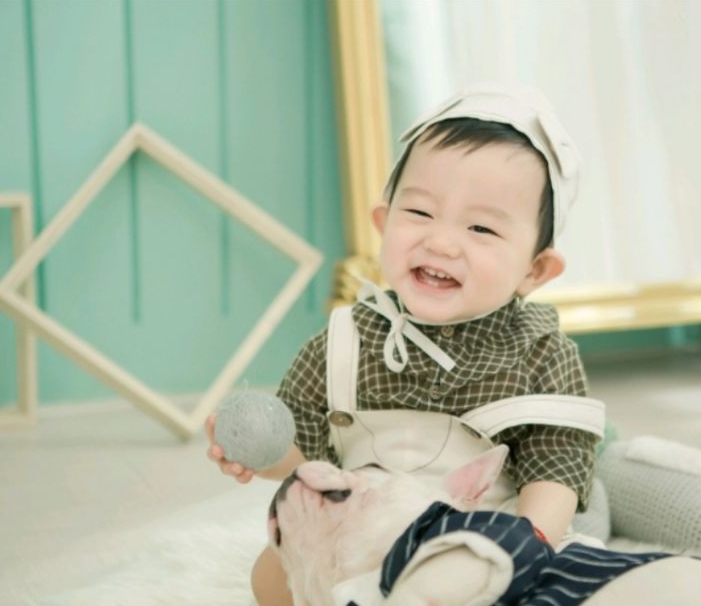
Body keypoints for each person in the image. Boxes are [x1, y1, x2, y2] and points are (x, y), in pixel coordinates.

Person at [206, 81, 605, 606]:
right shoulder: (345, 342)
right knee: (271, 577)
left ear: (535, 269)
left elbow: (557, 469)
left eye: (481, 228)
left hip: (480, 540)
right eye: (419, 213)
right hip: (361, 532)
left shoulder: (540, 353)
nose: (440, 241)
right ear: (384, 221)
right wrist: (263, 452)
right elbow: (306, 458)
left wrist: (521, 546)